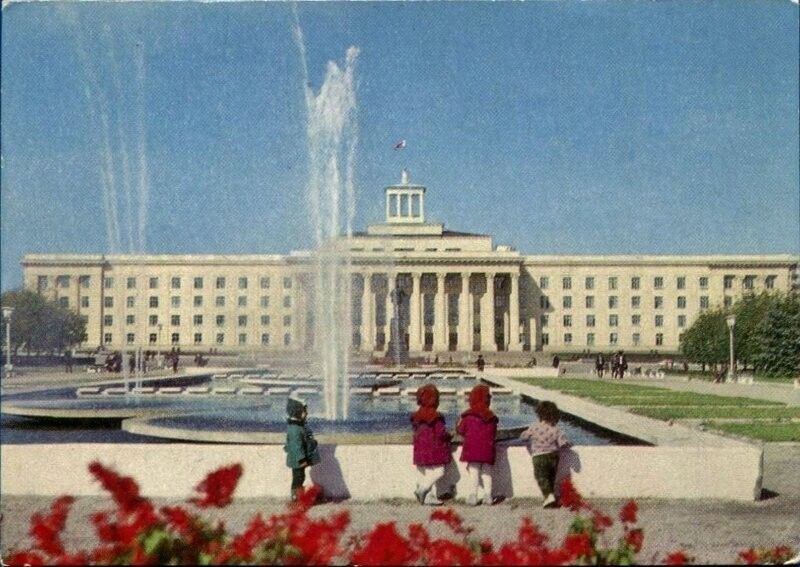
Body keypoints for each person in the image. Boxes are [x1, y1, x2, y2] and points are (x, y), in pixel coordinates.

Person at [520, 401, 570, 508]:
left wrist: (524, 434)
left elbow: (524, 437)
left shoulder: (534, 427)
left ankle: (549, 496)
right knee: (551, 478)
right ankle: (550, 499)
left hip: (539, 456)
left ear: (539, 414)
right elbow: (563, 443)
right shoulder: (556, 429)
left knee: (541, 477)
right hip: (553, 456)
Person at [456, 384, 498, 506]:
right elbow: (494, 433)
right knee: (487, 473)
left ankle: (473, 496)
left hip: (472, 450)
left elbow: (461, 430)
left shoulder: (468, 416)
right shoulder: (492, 417)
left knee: (474, 472)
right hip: (488, 450)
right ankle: (488, 496)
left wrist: (457, 424)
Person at [411, 384, 452, 506]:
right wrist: (449, 436)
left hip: (420, 449)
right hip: (434, 449)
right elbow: (440, 433)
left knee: (428, 473)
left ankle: (428, 497)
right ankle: (422, 490)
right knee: (440, 471)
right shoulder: (436, 416)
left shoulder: (417, 415)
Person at [284, 396, 320, 501]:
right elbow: (296, 446)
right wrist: (302, 459)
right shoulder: (295, 429)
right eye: (304, 411)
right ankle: (296, 496)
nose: (307, 413)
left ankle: (298, 495)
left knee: (299, 477)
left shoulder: (297, 426)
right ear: (297, 411)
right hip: (298, 460)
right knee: (298, 478)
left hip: (297, 459)